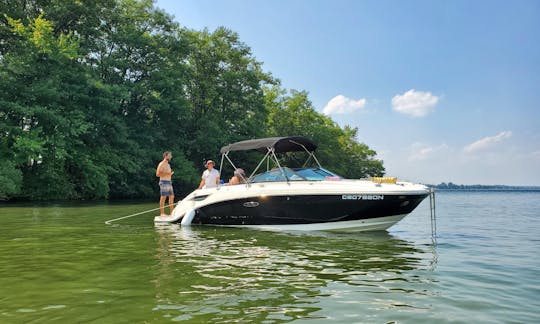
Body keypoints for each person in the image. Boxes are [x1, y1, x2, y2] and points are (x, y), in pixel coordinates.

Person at [156, 151, 174, 217]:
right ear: (166, 156)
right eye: (170, 155)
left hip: (169, 182)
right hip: (163, 182)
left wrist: (170, 174)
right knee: (163, 197)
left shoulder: (168, 164)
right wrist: (167, 173)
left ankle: (172, 212)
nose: (171, 156)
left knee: (172, 197)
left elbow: (167, 173)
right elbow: (157, 174)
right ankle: (162, 213)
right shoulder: (161, 164)